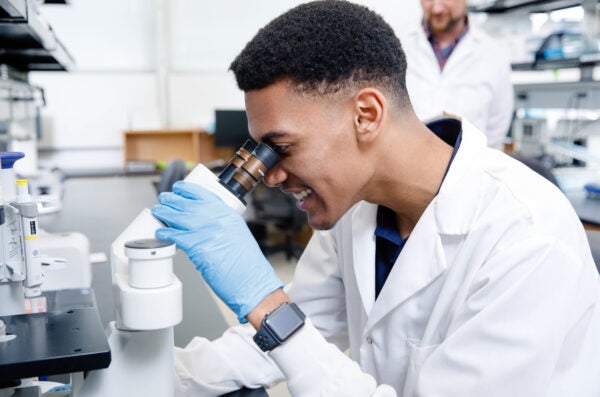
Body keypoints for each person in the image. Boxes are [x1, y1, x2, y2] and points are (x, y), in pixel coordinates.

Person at [151, 1, 600, 396]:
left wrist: (266, 304)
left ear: (366, 115)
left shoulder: (527, 239)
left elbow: (284, 326)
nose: (269, 175)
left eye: (282, 147)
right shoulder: (355, 204)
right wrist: (149, 377)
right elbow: (304, 330)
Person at [400, 0, 514, 150]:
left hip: (469, 168)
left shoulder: (494, 54)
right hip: (405, 165)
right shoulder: (399, 43)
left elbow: (496, 128)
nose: (436, 8)